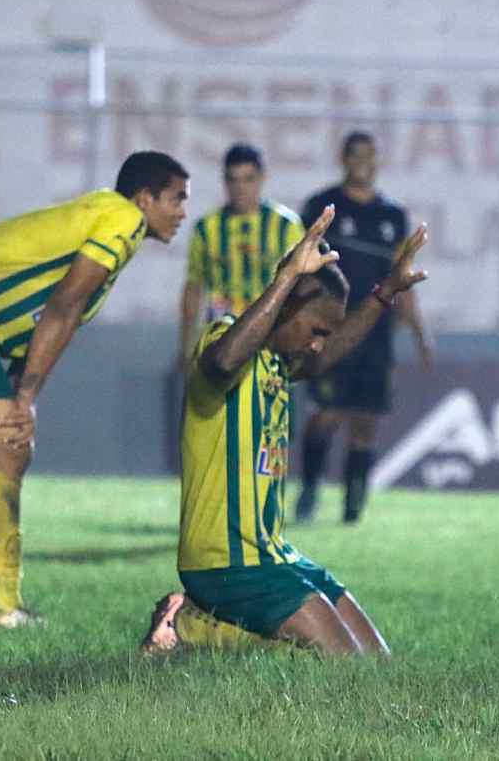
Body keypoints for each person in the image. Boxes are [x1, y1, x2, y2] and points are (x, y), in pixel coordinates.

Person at [0, 151, 190, 628]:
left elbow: (51, 305)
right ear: (146, 197)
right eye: (176, 199)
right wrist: (26, 396)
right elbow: (63, 309)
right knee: (9, 448)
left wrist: (21, 384)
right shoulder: (124, 219)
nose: (182, 212)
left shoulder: (104, 211)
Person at [139, 204, 429, 656]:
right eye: (315, 329)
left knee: (376, 662)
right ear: (285, 308)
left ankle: (192, 623)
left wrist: (386, 292)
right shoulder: (225, 338)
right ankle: (187, 627)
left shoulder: (276, 362)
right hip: (225, 561)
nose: (317, 344)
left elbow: (329, 354)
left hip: (272, 553)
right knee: (345, 669)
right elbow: (220, 365)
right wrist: (285, 279)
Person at [294, 132, 434, 524]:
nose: (362, 163)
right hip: (331, 330)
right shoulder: (323, 208)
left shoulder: (392, 216)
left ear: (377, 161)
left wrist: (420, 333)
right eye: (355, 155)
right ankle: (309, 490)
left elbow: (400, 280)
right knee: (326, 413)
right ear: (343, 158)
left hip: (376, 335)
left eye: (369, 156)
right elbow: (301, 271)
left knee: (366, 421)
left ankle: (353, 505)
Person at [180, 143, 305, 361]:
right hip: (220, 338)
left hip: (271, 339)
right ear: (225, 181)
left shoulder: (286, 226)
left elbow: (303, 284)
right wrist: (185, 346)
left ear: (262, 178)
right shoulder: (207, 228)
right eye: (233, 180)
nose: (240, 187)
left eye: (248, 179)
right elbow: (194, 286)